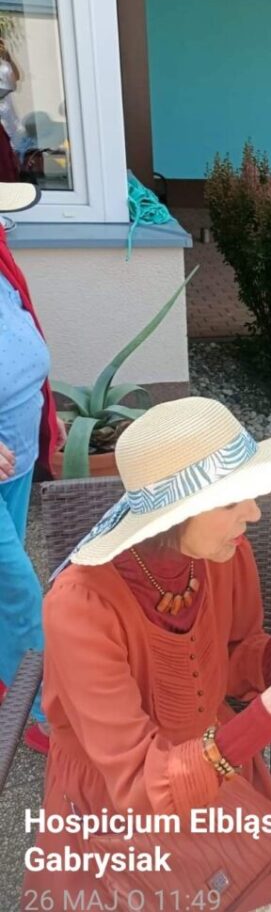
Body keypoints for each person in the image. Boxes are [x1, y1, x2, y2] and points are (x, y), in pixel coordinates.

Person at [27, 397, 271, 910]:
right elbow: (139, 789)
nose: (255, 514)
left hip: (214, 761)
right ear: (175, 514)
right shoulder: (81, 608)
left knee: (264, 881)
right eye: (234, 500)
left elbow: (228, 665)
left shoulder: (222, 554)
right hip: (118, 808)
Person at [0, 179, 63, 753]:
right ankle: (48, 711)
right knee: (18, 585)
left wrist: (44, 410)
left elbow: (22, 338)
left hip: (13, 452)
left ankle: (8, 679)